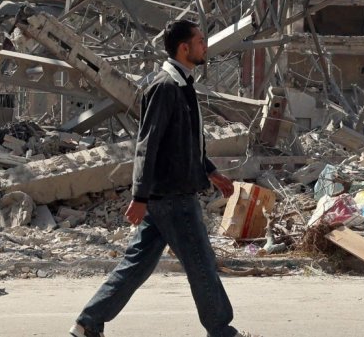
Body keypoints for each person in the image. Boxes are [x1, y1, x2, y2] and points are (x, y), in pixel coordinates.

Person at [70, 20, 258, 337]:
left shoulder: (182, 85)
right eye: (200, 41)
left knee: (137, 265)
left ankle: (88, 323)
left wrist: (209, 171)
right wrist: (139, 196)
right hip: (172, 197)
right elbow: (148, 145)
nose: (205, 46)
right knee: (201, 264)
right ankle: (221, 330)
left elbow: (184, 141)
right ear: (184, 48)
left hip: (169, 197)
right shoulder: (164, 87)